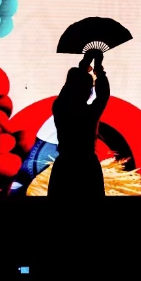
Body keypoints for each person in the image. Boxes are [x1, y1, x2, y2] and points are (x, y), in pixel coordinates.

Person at [48, 48, 109, 197]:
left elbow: (68, 90)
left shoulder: (60, 108)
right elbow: (104, 94)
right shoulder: (90, 113)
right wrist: (99, 68)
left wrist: (84, 64)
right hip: (87, 167)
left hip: (64, 167)